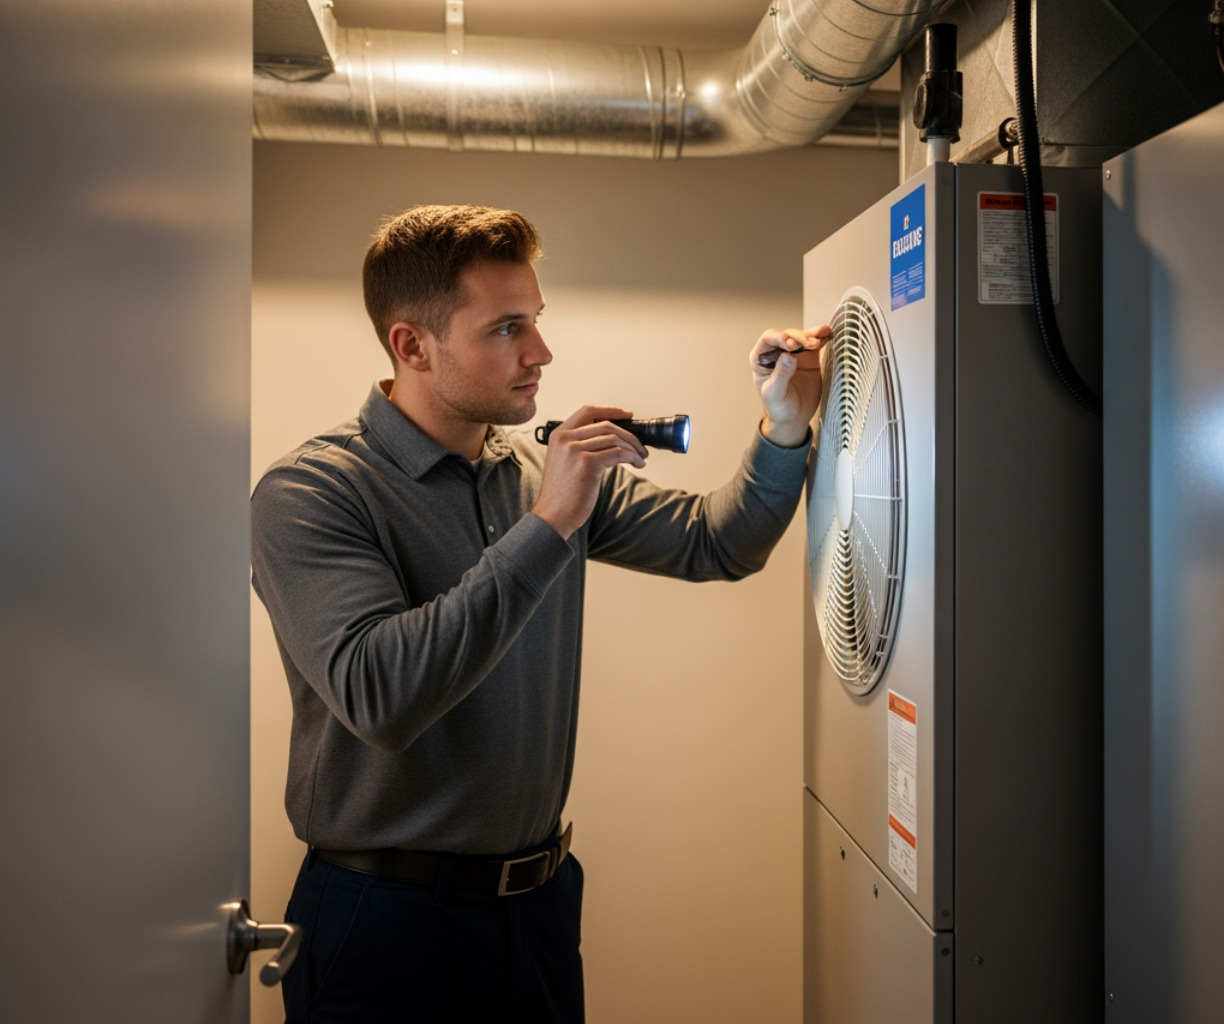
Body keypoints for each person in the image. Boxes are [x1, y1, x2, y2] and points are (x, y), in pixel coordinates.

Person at [249, 204, 829, 1023]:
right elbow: (381, 696)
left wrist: (785, 423)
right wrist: (551, 523)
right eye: (507, 328)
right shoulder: (311, 492)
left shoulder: (532, 469)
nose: (541, 353)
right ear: (412, 345)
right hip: (385, 924)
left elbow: (716, 544)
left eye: (538, 322)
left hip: (540, 906)